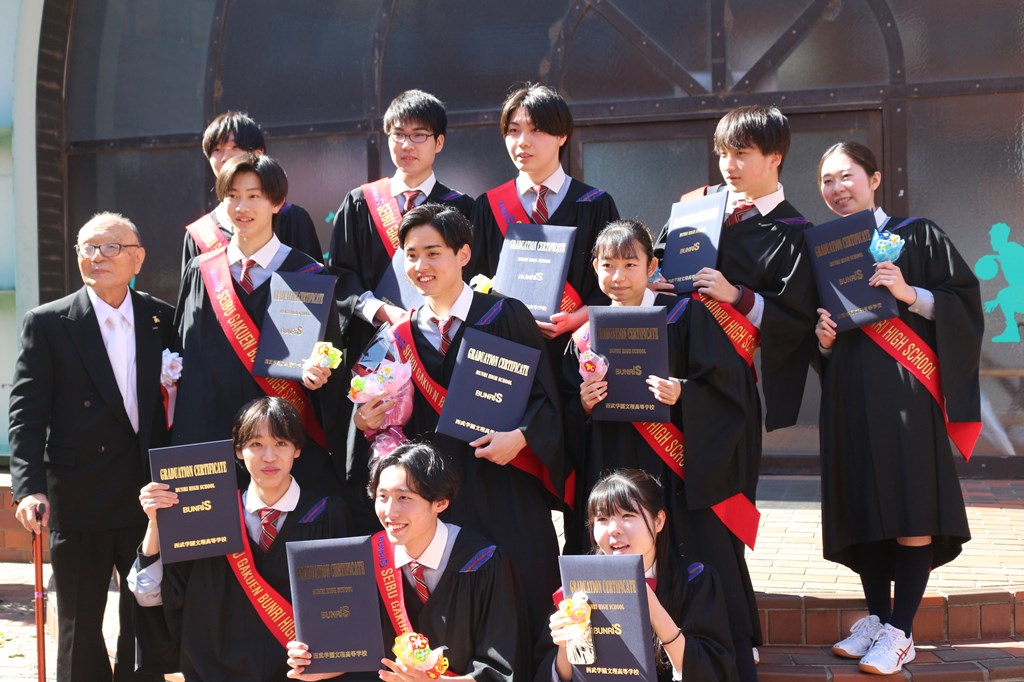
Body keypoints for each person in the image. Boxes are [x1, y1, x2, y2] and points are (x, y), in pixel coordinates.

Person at [354, 203, 565, 652]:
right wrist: (365, 419)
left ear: (463, 254)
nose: (421, 266)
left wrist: (521, 436)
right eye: (411, 255)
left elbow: (548, 396)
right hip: (436, 498)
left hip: (506, 483)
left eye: (433, 253)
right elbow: (389, 422)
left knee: (524, 588)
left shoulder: (504, 314)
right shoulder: (400, 335)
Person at [565, 220, 761, 679]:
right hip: (612, 464)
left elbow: (731, 387)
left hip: (677, 471)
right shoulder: (583, 335)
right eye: (607, 265)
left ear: (652, 266)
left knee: (696, 552)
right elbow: (562, 414)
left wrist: (684, 393)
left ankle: (717, 649)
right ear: (594, 268)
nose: (618, 276)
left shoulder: (685, 315)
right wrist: (583, 405)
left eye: (630, 264)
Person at [815, 142, 982, 675]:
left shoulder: (918, 234)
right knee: (865, 502)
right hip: (850, 393)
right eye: (827, 180)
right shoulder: (823, 250)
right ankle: (878, 620)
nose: (837, 188)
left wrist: (909, 293)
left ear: (874, 179)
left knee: (911, 502)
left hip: (908, 390)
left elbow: (964, 303)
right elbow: (815, 329)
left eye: (847, 176)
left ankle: (902, 631)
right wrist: (822, 341)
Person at [9, 212, 174, 681]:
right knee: (79, 622)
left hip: (146, 497)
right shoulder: (48, 322)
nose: (97, 256)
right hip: (79, 494)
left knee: (145, 616)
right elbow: (26, 414)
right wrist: (28, 488)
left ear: (137, 258)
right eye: (88, 247)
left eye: (110, 247)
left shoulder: (163, 318)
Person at [326, 89, 473, 519]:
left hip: (439, 351)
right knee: (382, 452)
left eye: (419, 135)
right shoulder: (360, 202)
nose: (406, 144)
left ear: (439, 141)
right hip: (375, 353)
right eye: (397, 134)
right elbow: (340, 275)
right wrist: (382, 312)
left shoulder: (461, 206)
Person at [128, 397, 351, 680]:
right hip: (215, 672)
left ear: (297, 449)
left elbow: (347, 611)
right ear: (237, 450)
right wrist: (156, 523)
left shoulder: (326, 515)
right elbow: (151, 595)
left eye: (281, 443)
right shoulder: (206, 515)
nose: (269, 456)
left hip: (300, 674)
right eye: (256, 444)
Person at [173, 153, 347, 494]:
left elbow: (329, 354)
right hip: (209, 438)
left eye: (254, 196)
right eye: (232, 196)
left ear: (277, 202)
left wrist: (321, 371)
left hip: (279, 443)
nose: (242, 207)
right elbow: (182, 351)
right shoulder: (201, 272)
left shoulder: (306, 274)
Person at [285, 441, 529, 681]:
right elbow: (358, 657)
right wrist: (318, 665)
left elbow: (499, 671)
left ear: (440, 502)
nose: (390, 512)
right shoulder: (366, 560)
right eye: (382, 496)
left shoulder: (482, 562)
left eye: (404, 497)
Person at [544, 469, 738, 681]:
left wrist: (655, 612)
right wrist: (565, 645)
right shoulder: (579, 586)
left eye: (628, 515)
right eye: (602, 518)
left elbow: (710, 671)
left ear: (659, 521)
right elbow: (561, 676)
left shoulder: (695, 580)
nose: (614, 529)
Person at [469, 83, 620, 346]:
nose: (522, 141)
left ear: (562, 135)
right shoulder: (488, 207)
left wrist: (576, 318)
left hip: (578, 348)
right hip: (507, 348)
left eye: (536, 129)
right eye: (513, 131)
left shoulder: (595, 204)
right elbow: (471, 282)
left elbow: (615, 280)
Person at [182, 110, 323, 275]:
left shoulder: (292, 219)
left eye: (234, 147)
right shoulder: (200, 234)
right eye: (217, 149)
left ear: (258, 154)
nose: (224, 157)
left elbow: (312, 282)